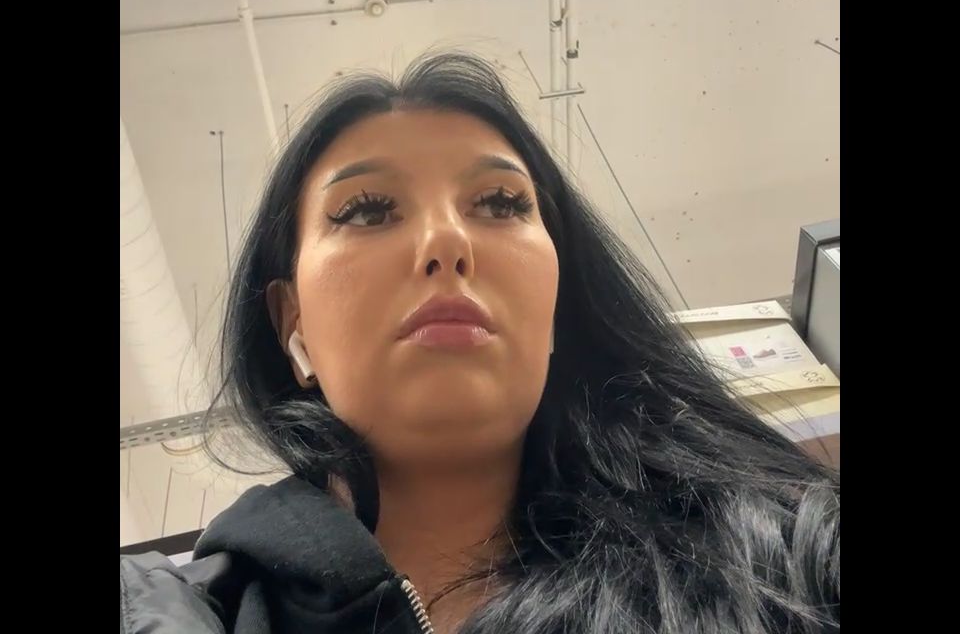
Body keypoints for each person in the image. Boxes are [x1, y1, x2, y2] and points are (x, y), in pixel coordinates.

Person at [120, 52, 839, 634]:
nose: (446, 240)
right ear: (291, 322)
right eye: (367, 211)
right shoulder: (170, 615)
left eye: (500, 203)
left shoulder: (788, 560)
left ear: (555, 305)